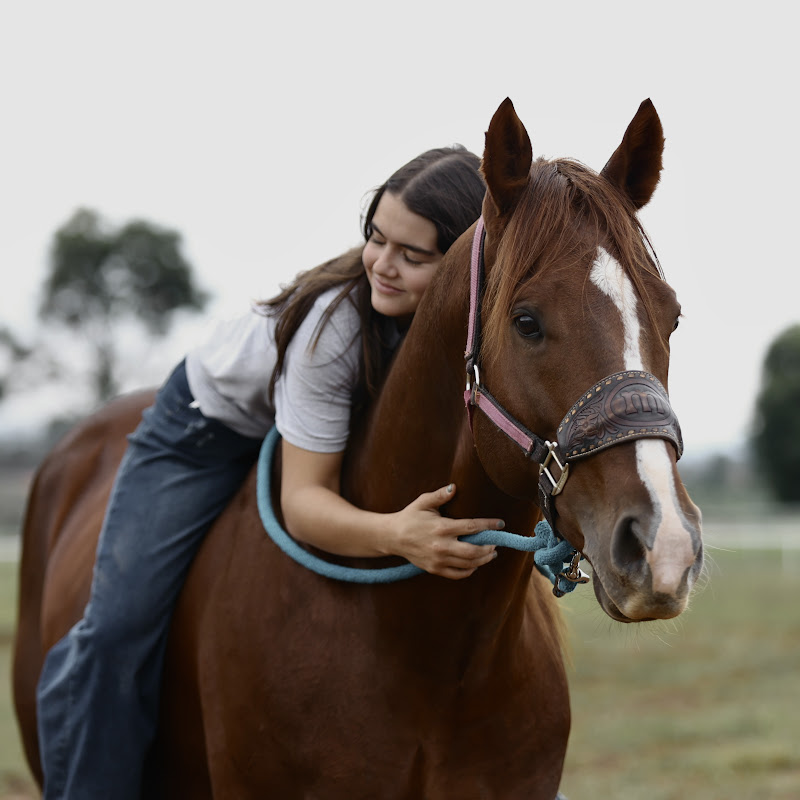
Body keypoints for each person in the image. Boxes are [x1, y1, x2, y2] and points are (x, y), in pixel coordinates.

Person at [36, 145, 506, 798]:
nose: (383, 265)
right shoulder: (336, 327)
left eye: (411, 255)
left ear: (462, 263)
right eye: (377, 238)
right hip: (204, 433)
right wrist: (398, 535)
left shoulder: (476, 324)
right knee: (117, 626)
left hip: (324, 427)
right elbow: (303, 503)